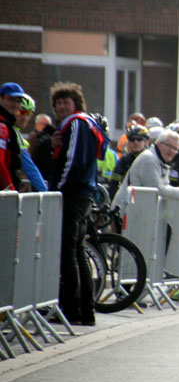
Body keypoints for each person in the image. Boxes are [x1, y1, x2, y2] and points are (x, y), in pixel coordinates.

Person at [48, 82, 109, 326]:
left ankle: (72, 310)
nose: (61, 106)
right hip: (83, 194)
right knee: (78, 253)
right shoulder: (81, 124)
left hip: (73, 195)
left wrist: (57, 190)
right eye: (58, 103)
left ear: (76, 104)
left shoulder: (76, 123)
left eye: (66, 102)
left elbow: (73, 162)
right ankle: (86, 311)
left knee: (69, 253)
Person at [111, 129, 179, 212]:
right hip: (124, 214)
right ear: (158, 143)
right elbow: (157, 190)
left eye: (175, 149)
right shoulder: (149, 159)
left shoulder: (161, 160)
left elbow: (164, 186)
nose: (171, 151)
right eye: (169, 146)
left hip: (135, 214)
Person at [14, 92, 48, 192]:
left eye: (28, 113)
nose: (25, 118)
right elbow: (30, 169)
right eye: (21, 112)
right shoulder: (12, 132)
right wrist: (46, 194)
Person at [108, 124, 150, 199]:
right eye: (132, 139)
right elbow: (114, 184)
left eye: (139, 139)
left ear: (146, 142)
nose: (135, 142)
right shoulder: (124, 160)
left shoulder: (151, 159)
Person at [0, 82, 25, 190]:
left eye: (18, 101)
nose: (15, 104)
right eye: (10, 99)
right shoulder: (2, 125)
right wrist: (10, 189)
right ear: (1, 99)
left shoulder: (8, 124)